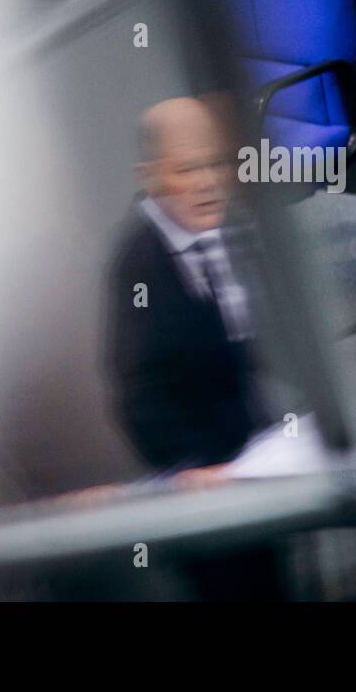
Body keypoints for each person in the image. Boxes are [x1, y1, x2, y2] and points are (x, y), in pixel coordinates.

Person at [103, 96, 267, 473]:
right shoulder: (138, 265)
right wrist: (191, 469)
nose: (207, 183)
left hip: (265, 435)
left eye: (216, 164)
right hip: (204, 465)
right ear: (151, 178)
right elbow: (141, 398)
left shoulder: (239, 230)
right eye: (187, 170)